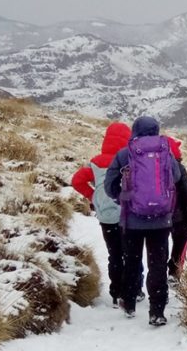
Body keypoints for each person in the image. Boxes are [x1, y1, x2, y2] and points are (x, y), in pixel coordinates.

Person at [105, 116, 181, 326]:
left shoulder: (125, 153)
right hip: (161, 220)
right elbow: (175, 177)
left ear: (135, 131)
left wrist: (122, 198)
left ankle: (129, 303)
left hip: (132, 220)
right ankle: (157, 311)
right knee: (158, 264)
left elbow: (109, 184)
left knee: (132, 260)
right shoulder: (166, 152)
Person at [71, 122, 144, 307]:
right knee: (131, 255)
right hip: (128, 216)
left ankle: (116, 291)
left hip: (106, 216)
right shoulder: (129, 160)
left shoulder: (96, 163)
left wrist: (93, 196)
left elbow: (77, 180)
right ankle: (134, 290)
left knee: (115, 255)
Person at [166, 137, 187, 284]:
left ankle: (159, 271)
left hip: (158, 215)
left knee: (158, 245)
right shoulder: (179, 167)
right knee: (180, 241)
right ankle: (174, 272)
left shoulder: (151, 166)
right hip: (178, 216)